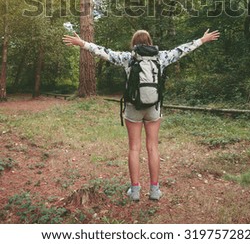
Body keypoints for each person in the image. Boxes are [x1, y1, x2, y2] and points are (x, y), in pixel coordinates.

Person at [63, 28, 220, 201]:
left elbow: (102, 51)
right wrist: (202, 40)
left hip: (133, 107)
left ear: (134, 44)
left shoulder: (128, 58)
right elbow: (182, 49)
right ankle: (154, 191)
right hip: (154, 107)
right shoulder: (161, 56)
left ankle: (135, 191)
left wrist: (82, 43)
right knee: (152, 147)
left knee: (134, 148)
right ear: (150, 42)